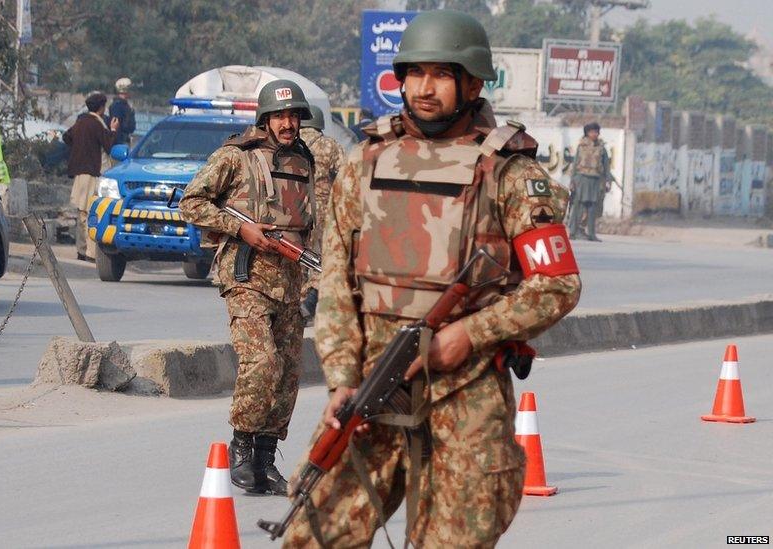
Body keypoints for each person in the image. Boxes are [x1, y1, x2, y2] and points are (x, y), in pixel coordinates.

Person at [282, 10, 582, 547]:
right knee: (314, 534)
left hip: (464, 395)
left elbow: (557, 286)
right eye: (414, 73)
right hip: (374, 387)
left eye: (441, 74)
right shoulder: (364, 163)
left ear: (472, 82)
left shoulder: (512, 173)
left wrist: (468, 335)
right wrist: (342, 378)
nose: (424, 88)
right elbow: (336, 286)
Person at [179, 79, 316, 496]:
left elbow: (311, 223)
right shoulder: (235, 157)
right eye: (281, 116)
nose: (289, 123)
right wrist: (241, 227)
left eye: (294, 116)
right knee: (262, 363)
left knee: (289, 374)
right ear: (266, 118)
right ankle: (241, 445)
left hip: (292, 282)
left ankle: (263, 460)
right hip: (247, 277)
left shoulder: (303, 161)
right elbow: (192, 202)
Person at [298, 105, 346, 321]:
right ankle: (311, 299)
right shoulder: (329, 145)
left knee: (296, 254)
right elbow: (346, 175)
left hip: (294, 209)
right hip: (323, 211)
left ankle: (296, 303)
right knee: (321, 257)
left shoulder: (290, 143)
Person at [64, 92, 119, 261]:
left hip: (79, 174)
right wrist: (113, 130)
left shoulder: (80, 122)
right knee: (92, 213)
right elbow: (109, 146)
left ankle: (81, 250)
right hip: (93, 174)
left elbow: (67, 137)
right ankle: (91, 253)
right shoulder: (97, 124)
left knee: (81, 213)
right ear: (101, 108)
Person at [569, 122, 611, 241]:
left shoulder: (602, 148)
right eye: (592, 132)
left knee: (592, 208)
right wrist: (572, 181)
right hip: (581, 179)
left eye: (596, 132)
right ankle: (572, 232)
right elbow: (575, 164)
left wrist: (608, 181)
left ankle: (591, 234)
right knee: (578, 206)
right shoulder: (581, 146)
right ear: (587, 133)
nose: (594, 134)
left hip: (595, 180)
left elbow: (606, 166)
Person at [109, 77, 137, 146]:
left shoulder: (126, 105)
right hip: (120, 142)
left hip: (124, 140)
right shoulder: (117, 106)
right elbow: (116, 126)